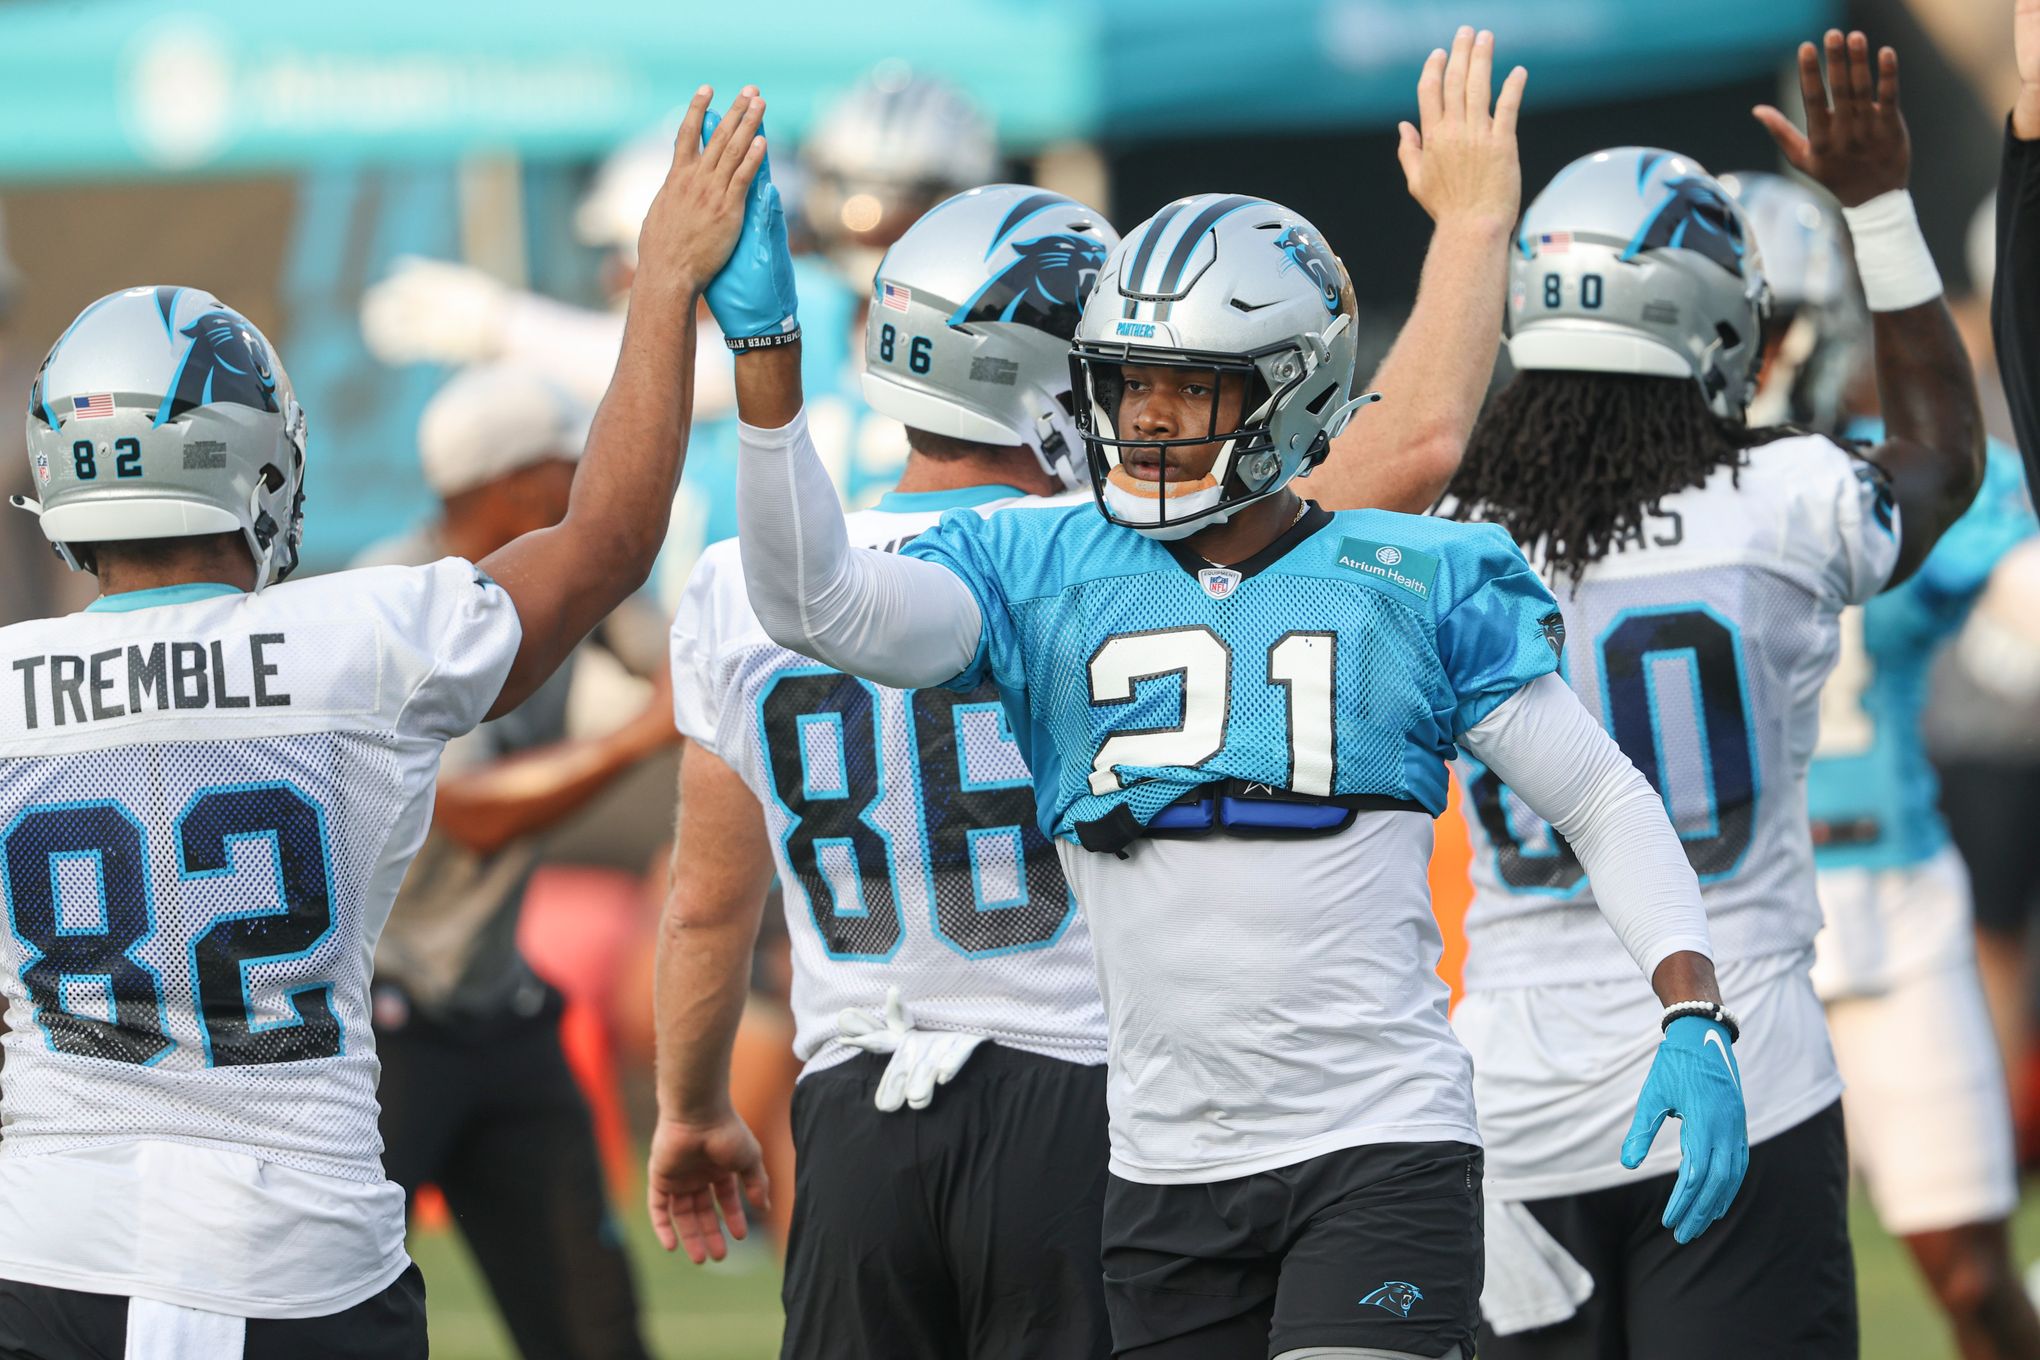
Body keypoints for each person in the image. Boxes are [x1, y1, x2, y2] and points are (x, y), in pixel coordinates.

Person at [713, 36, 1747, 1360]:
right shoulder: (1037, 562)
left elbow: (1601, 794)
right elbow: (818, 607)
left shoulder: (1410, 576)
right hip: (1163, 1169)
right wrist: (765, 364)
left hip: (1379, 1145)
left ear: (1293, 390)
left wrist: (1689, 1006)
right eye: (1129, 385)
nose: (1145, 423)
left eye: (1186, 391)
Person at [0, 86, 765, 1357]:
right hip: (295, 1255)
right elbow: (610, 536)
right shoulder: (363, 640)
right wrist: (666, 282)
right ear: (252, 460)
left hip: (42, 1248)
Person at [1446, 33, 1984, 1360]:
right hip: (1746, 1056)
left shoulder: (1454, 533)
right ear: (1716, 322)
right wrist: (1877, 208)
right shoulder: (1787, 498)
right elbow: (1941, 462)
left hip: (1510, 1087)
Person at [1725, 170, 2040, 1360]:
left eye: (1761, 327)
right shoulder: (1626, 489)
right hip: (1717, 930)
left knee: (1967, 1274)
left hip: (1890, 899)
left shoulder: (1883, 476)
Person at [358, 363, 677, 1360]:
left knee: (594, 1329)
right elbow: (470, 813)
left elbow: (670, 658)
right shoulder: (399, 599)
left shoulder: (561, 580)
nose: (583, 482)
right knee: (334, 1322)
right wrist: (638, 740)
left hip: (500, 1009)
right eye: (564, 465)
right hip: (382, 1023)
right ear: (506, 484)